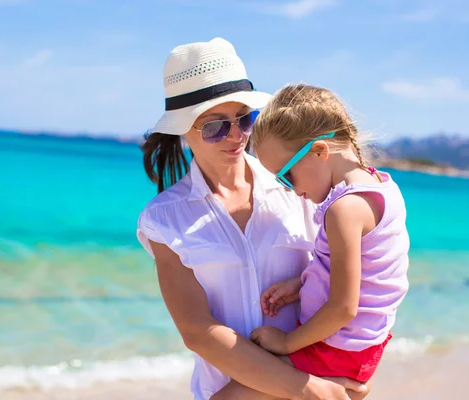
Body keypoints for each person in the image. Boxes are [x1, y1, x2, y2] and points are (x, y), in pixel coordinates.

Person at [136, 37, 373, 400]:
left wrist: (355, 367)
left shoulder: (302, 184)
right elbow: (198, 330)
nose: (236, 136)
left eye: (244, 119)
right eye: (215, 126)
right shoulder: (164, 220)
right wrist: (306, 389)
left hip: (326, 382)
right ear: (183, 129)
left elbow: (358, 277)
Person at [212, 84, 410, 399]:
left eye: (285, 176)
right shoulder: (383, 186)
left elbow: (344, 308)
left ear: (319, 151)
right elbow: (371, 273)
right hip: (357, 348)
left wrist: (286, 343)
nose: (288, 188)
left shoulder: (344, 210)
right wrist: (304, 282)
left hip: (336, 348)